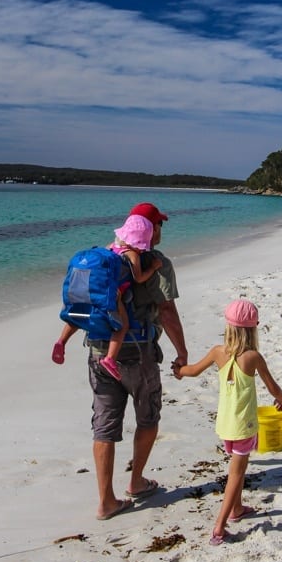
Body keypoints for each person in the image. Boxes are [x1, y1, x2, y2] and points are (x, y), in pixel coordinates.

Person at [87, 201, 188, 520]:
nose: (161, 230)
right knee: (148, 417)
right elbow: (167, 312)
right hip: (138, 352)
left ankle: (106, 501)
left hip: (100, 351)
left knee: (103, 425)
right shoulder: (156, 261)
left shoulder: (105, 256)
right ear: (150, 228)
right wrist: (182, 353)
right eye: (159, 224)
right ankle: (136, 481)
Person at [174, 299, 282, 546]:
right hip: (243, 425)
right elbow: (272, 386)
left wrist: (178, 370)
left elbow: (192, 371)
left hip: (224, 424)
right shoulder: (253, 357)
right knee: (237, 473)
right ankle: (219, 527)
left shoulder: (217, 352)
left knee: (235, 466)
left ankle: (237, 509)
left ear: (229, 327)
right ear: (252, 329)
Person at [51, 215, 162, 381]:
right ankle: (110, 357)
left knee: (78, 317)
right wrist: (153, 268)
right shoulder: (133, 255)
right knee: (121, 326)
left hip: (95, 291)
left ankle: (61, 341)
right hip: (115, 296)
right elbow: (139, 278)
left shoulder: (110, 247)